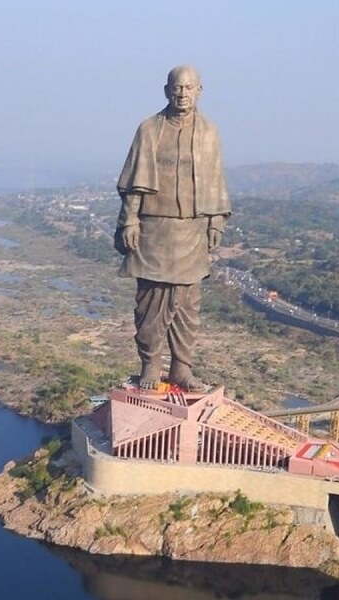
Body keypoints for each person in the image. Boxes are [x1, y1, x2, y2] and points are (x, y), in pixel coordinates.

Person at [114, 65, 230, 392]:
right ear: (166, 90)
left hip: (192, 228)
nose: (182, 93)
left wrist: (215, 221)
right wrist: (130, 220)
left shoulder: (209, 132)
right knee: (150, 300)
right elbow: (134, 183)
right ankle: (150, 362)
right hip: (154, 227)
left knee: (187, 304)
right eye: (177, 88)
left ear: (199, 91)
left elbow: (215, 180)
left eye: (189, 88)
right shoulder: (149, 129)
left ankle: (182, 366)